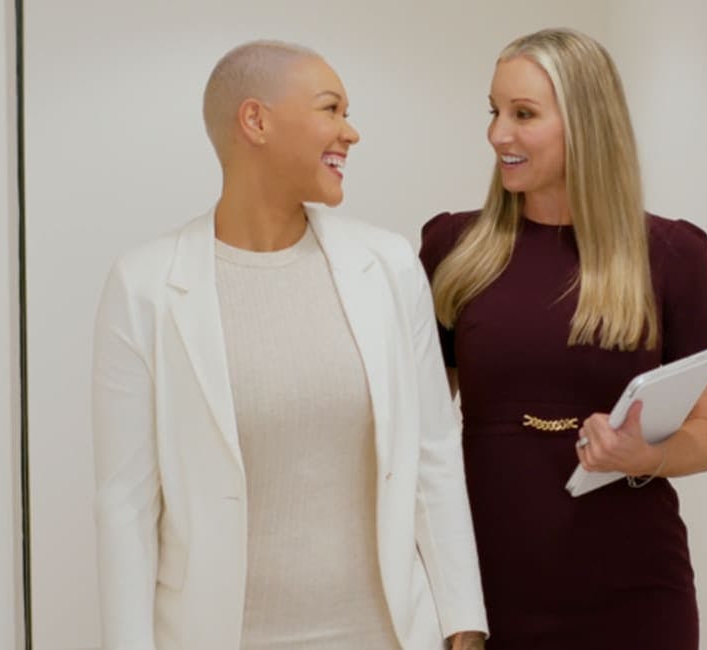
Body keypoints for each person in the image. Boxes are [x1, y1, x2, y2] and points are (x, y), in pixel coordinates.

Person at [92, 40, 487, 650]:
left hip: (385, 636)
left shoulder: (387, 266)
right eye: (331, 109)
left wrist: (463, 621)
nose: (351, 132)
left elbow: (432, 452)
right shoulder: (144, 285)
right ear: (256, 120)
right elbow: (126, 507)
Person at [419, 28, 707, 650]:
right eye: (494, 111)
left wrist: (643, 457)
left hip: (636, 593)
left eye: (523, 114)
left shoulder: (674, 254)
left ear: (586, 123)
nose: (497, 134)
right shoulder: (452, 247)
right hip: (486, 587)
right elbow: (419, 433)